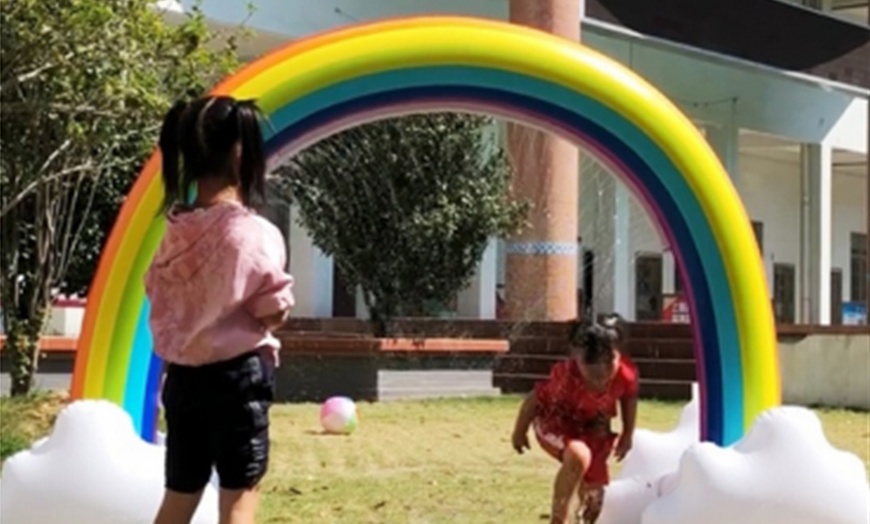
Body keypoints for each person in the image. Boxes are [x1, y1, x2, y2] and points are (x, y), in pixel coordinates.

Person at [145, 95, 295, 524]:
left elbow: (158, 293)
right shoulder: (253, 233)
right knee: (239, 495)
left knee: (180, 492)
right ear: (239, 151)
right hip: (237, 383)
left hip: (184, 383)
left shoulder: (174, 231)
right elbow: (272, 310)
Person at [511, 314, 638, 524]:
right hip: (555, 423)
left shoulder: (625, 373)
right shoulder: (567, 376)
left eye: (609, 366)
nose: (603, 378)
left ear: (617, 355)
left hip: (594, 429)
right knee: (579, 456)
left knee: (596, 497)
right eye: (594, 375)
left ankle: (582, 518)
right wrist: (519, 431)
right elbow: (534, 399)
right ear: (577, 358)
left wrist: (628, 433)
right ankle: (559, 520)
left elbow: (629, 398)